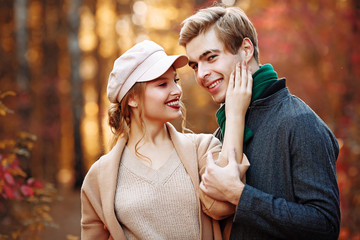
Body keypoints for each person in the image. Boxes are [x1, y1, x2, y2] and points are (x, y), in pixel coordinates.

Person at [179, 4, 340, 240]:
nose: (201, 74)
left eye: (211, 57)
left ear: (245, 50)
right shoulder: (221, 136)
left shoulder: (299, 122)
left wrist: (240, 195)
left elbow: (325, 226)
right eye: (195, 65)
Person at [80, 40, 252, 240]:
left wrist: (235, 115)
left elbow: (223, 205)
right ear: (133, 98)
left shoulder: (203, 149)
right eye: (162, 84)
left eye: (175, 81)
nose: (177, 91)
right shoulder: (100, 176)